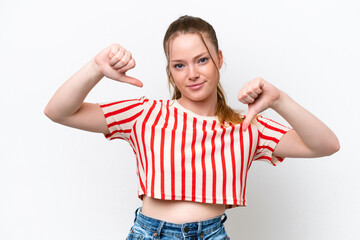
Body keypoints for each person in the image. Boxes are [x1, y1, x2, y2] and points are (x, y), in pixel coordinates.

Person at [44, 15, 339, 239]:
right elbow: (58, 111)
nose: (193, 74)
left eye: (202, 60)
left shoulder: (246, 126)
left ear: (219, 60)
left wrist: (279, 100)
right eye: (179, 65)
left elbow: (326, 145)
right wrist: (95, 68)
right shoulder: (145, 114)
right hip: (150, 233)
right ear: (170, 70)